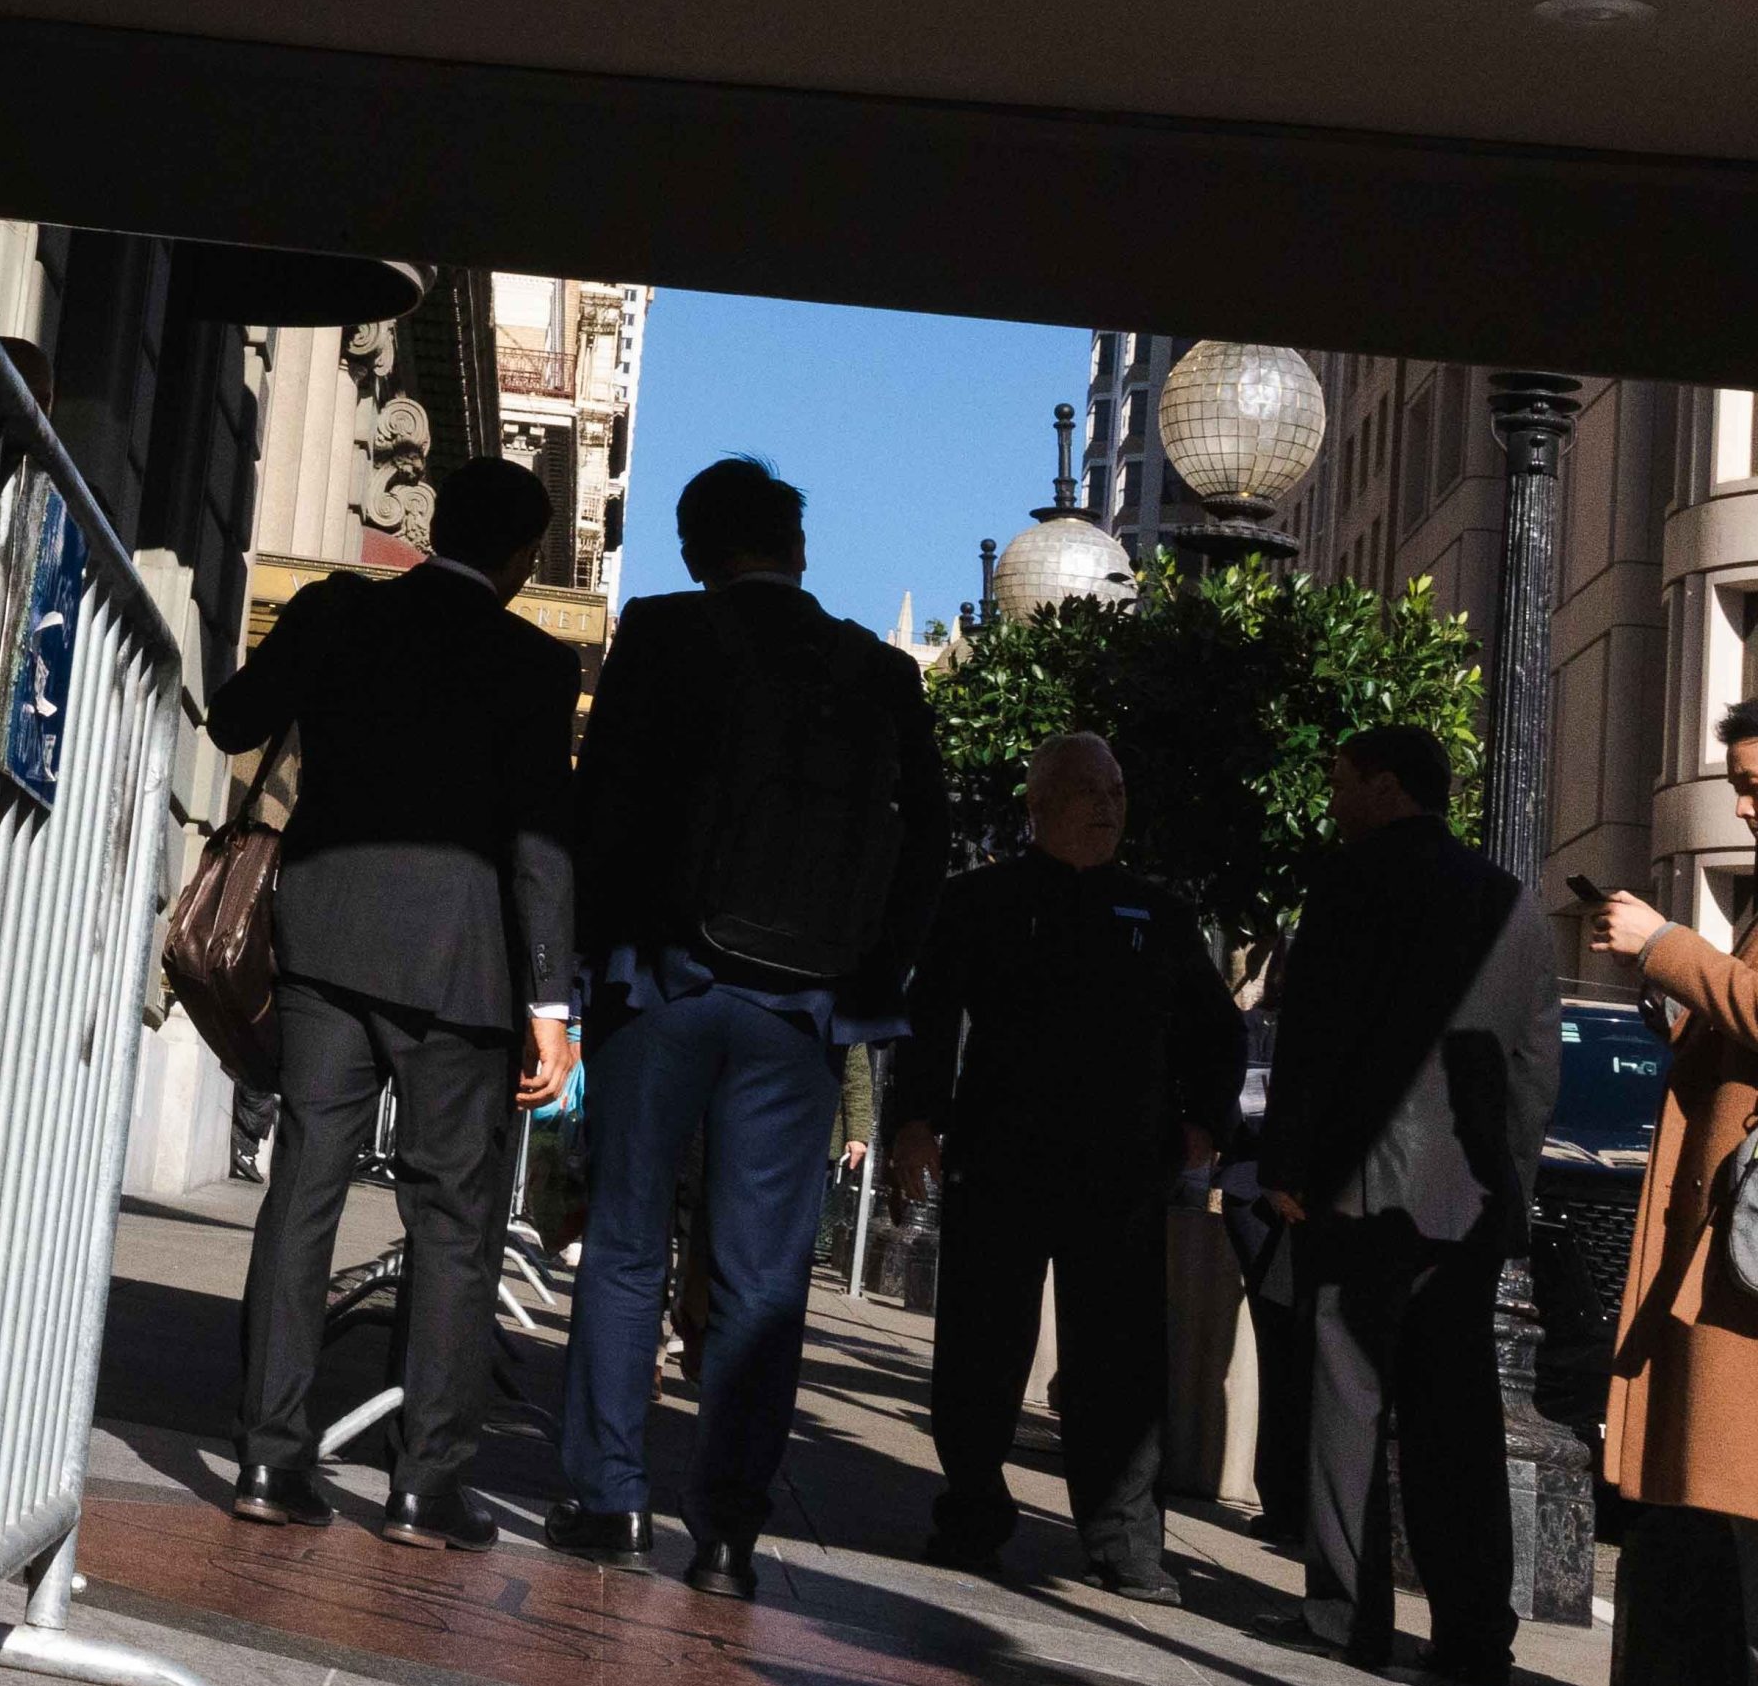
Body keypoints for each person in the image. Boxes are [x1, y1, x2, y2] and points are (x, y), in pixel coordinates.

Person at [552, 456, 944, 1598]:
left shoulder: (664, 635)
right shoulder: (877, 670)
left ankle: (608, 1499)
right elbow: (925, 842)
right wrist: (867, 976)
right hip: (802, 1012)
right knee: (763, 1275)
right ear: (800, 548)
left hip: (660, 989)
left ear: (692, 550)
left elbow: (605, 806)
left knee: (627, 1244)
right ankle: (725, 1535)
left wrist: (584, 971)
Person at [213, 453, 576, 1552]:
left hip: (324, 940)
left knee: (303, 1193)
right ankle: (425, 1488)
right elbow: (539, 842)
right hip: (462, 974)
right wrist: (550, 1000)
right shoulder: (534, 666)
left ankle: (269, 1465)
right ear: (522, 560)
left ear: (431, 526)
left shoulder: (340, 614)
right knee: (453, 1226)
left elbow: (235, 721)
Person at [885, 731, 1243, 1599]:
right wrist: (915, 1122)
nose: (1108, 806)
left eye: (1117, 790)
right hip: (1001, 1159)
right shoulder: (977, 903)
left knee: (1119, 1362)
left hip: (1121, 1172)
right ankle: (971, 1512)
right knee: (980, 1349)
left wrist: (1204, 1117)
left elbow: (1214, 1026)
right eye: (1088, 790)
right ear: (1038, 806)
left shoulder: (1157, 914)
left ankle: (1125, 1542)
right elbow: (928, 1016)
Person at [1255, 721, 1556, 1686]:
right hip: (1462, 1197)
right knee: (1457, 1417)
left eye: (1342, 782)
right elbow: (1533, 1065)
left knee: (1347, 1397)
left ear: (1388, 787)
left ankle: (1347, 1616)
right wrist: (1507, 1183)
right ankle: (1473, 1633)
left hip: (1359, 1186)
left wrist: (1290, 1169)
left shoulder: (1347, 887)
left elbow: (1311, 1041)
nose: (1334, 801)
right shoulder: (1511, 903)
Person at [1586, 696, 1758, 1686]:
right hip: (1733, 1232)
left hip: (1748, 1242)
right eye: (1738, 780)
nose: (1745, 801)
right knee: (1732, 1495)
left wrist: (1667, 948)